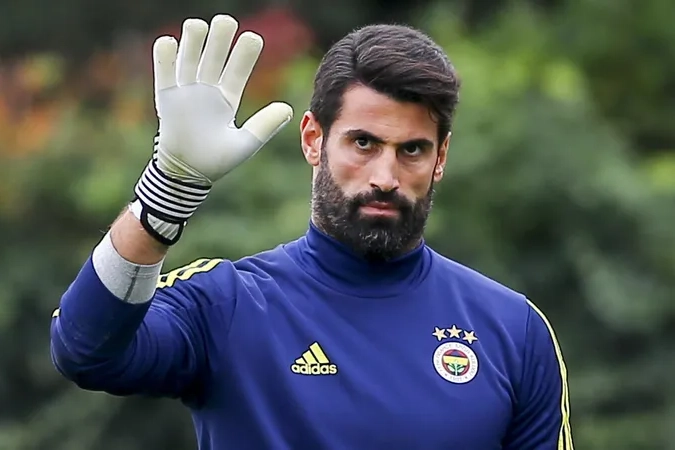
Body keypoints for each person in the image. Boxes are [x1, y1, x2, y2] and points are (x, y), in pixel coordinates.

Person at [49, 13, 574, 450]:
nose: (385, 177)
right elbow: (84, 349)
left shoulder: (514, 329)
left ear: (441, 158)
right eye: (363, 143)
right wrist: (168, 190)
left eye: (412, 150)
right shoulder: (227, 304)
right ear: (313, 140)